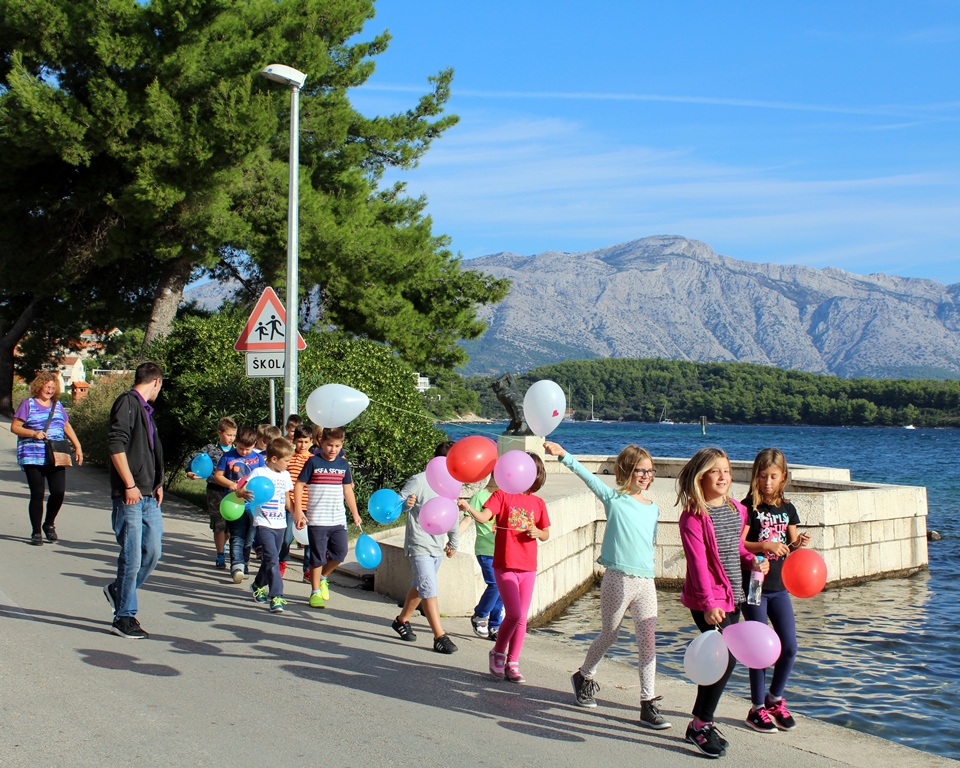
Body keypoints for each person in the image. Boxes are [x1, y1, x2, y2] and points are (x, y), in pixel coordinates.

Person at [544, 440, 670, 729]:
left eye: (650, 471)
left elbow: (647, 542)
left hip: (645, 581)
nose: (646, 476)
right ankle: (584, 675)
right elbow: (587, 477)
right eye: (640, 470)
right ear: (626, 471)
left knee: (648, 641)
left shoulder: (653, 508)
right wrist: (563, 455)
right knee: (609, 634)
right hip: (617, 578)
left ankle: (647, 702)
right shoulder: (614, 499)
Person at [677, 447, 767, 758]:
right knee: (725, 659)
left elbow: (735, 549)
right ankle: (701, 724)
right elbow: (698, 564)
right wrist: (707, 604)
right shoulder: (693, 517)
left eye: (726, 471)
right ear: (700, 477)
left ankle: (700, 723)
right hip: (708, 600)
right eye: (715, 471)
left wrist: (753, 560)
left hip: (734, 596)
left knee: (719, 661)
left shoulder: (736, 510)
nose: (723, 476)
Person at [461, 452, 550, 683]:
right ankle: (498, 653)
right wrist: (468, 507)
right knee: (514, 613)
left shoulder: (538, 503)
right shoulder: (501, 495)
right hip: (505, 564)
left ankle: (513, 661)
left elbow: (545, 533)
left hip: (528, 567)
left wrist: (538, 532)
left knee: (522, 618)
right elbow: (484, 517)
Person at [740, 448, 811, 733]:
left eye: (772, 476)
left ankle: (774, 698)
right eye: (762, 476)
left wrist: (798, 543)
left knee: (789, 646)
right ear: (755, 476)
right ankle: (756, 707)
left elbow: (790, 546)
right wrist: (765, 546)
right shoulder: (748, 507)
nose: (767, 482)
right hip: (755, 585)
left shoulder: (788, 509)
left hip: (780, 587)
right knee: (759, 649)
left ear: (783, 477)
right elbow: (741, 544)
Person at [102, 362, 164, 640]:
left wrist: (158, 482)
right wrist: (129, 484)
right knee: (132, 557)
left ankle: (118, 590)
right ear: (156, 382)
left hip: (149, 495)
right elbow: (116, 444)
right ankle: (124, 616)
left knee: (152, 552)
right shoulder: (127, 402)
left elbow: (149, 451)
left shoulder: (146, 410)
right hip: (130, 495)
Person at [391, 441, 460, 654]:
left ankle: (402, 621)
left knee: (421, 586)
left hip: (437, 546)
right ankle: (439, 636)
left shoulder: (451, 484)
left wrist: (454, 541)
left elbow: (452, 514)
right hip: (419, 544)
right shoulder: (419, 480)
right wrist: (406, 505)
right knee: (429, 588)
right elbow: (395, 506)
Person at [292, 427, 362, 608]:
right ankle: (315, 592)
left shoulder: (343, 465)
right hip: (317, 519)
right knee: (317, 557)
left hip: (338, 519)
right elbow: (299, 485)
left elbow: (348, 490)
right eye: (330, 445)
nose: (333, 449)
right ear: (321, 443)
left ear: (342, 445)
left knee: (340, 553)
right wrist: (298, 510)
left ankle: (323, 577)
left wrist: (355, 513)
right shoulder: (313, 462)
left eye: (337, 446)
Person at [11, 372, 83, 545]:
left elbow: (66, 426)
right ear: (39, 386)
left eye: (53, 388)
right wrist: (33, 433)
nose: (50, 391)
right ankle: (36, 532)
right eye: (47, 387)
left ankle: (49, 523)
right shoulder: (28, 404)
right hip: (32, 455)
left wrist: (78, 446)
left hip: (56, 454)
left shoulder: (57, 406)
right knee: (37, 494)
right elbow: (15, 427)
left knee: (58, 492)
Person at [242, 437, 295, 614]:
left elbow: (286, 498)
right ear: (274, 458)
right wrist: (242, 493)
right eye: (286, 461)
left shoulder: (285, 475)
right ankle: (276, 597)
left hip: (280, 524)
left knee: (270, 560)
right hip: (263, 523)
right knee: (273, 559)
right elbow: (244, 490)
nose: (289, 464)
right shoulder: (259, 473)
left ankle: (257, 585)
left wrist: (297, 514)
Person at [213, 426, 265, 583]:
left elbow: (264, 478)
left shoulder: (259, 459)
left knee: (249, 539)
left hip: (253, 506)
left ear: (254, 444)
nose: (243, 452)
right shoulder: (228, 456)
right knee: (237, 536)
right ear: (236, 442)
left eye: (247, 449)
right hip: (234, 504)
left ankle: (245, 563)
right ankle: (236, 566)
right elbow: (218, 476)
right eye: (241, 448)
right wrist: (230, 484)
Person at [184, 416, 237, 568]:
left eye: (233, 435)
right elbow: (192, 459)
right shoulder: (210, 449)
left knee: (230, 526)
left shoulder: (236, 451)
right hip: (215, 491)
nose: (231, 438)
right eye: (228, 435)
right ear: (219, 433)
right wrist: (189, 472)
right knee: (219, 523)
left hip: (232, 492)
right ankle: (220, 555)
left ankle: (223, 544)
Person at [459, 475, 503, 642]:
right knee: (495, 584)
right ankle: (480, 614)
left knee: (503, 589)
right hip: (486, 550)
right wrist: (452, 541)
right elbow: (466, 521)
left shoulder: (507, 496)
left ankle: (495, 624)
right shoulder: (479, 497)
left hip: (504, 551)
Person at [284, 425, 314, 582]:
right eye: (300, 441)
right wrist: (290, 505)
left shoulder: (313, 460)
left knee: (310, 540)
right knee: (286, 538)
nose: (302, 445)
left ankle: (308, 570)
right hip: (291, 506)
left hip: (309, 506)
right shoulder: (289, 458)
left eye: (306, 442)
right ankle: (282, 562)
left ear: (311, 442)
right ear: (294, 441)